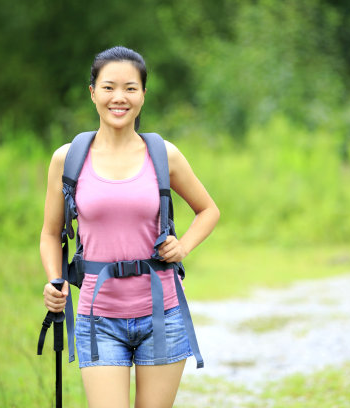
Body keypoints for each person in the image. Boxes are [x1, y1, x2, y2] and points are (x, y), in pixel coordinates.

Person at [40, 46, 220, 408]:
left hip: (162, 313)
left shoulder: (163, 154)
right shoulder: (68, 158)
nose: (118, 97)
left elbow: (208, 210)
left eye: (130, 88)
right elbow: (49, 233)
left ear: (143, 95)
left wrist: (182, 247)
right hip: (98, 316)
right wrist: (54, 280)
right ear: (92, 93)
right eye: (108, 87)